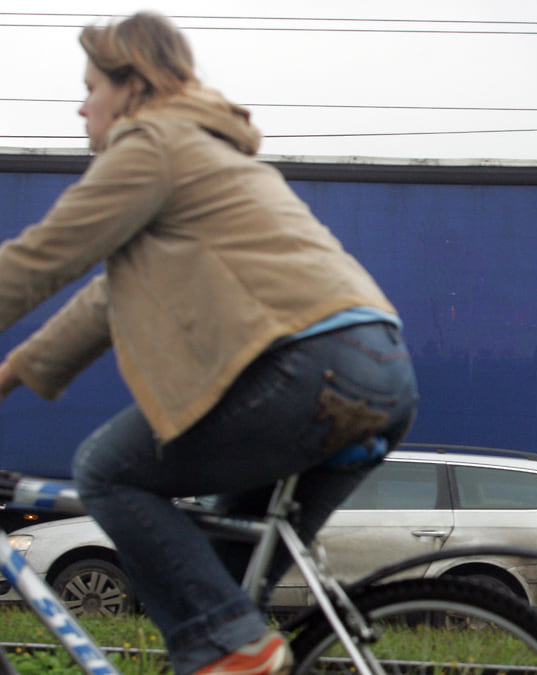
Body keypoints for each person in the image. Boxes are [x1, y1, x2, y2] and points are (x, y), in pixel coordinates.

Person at [0, 12, 418, 675]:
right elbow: (103, 301)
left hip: (310, 369)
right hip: (381, 373)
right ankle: (236, 647)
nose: (81, 107)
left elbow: (36, 261)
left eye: (90, 88)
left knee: (108, 470)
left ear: (131, 84)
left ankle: (234, 644)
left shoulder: (153, 145)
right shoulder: (207, 154)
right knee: (215, 591)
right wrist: (11, 372)